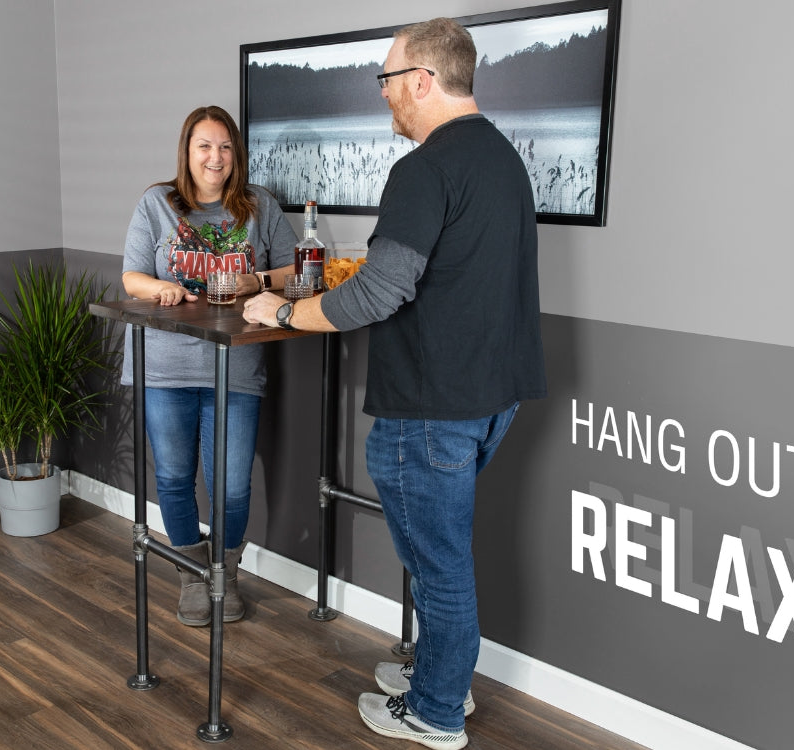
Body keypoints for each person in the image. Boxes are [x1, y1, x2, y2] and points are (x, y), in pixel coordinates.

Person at [242, 18, 546, 750]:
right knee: (441, 554)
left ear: (422, 80)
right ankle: (441, 677)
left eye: (387, 79)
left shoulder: (424, 169)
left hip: (432, 405)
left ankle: (437, 712)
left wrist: (282, 309)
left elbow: (381, 291)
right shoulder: (503, 158)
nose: (383, 95)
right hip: (492, 395)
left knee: (438, 566)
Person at [122, 105, 298, 627]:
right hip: (166, 366)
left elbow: (297, 267)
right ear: (187, 151)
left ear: (235, 154)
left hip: (236, 366)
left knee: (232, 485)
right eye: (204, 146)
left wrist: (256, 281)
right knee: (175, 477)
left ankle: (224, 574)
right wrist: (162, 287)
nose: (215, 157)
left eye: (224, 147)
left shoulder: (259, 206)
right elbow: (131, 278)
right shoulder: (157, 204)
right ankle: (191, 577)